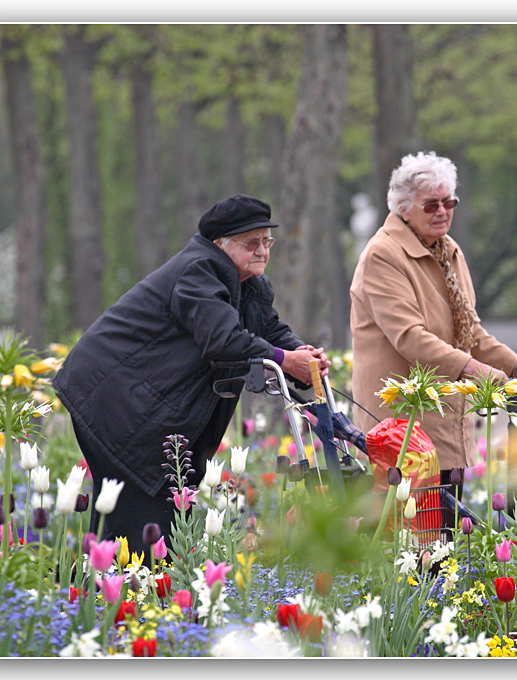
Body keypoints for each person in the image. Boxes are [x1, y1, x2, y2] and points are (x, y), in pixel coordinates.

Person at [53, 194, 330, 556]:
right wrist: (283, 358)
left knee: (148, 514)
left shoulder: (249, 283)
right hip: (117, 402)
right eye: (252, 243)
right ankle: (125, 600)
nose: (263, 250)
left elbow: (269, 329)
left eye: (267, 241)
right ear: (221, 245)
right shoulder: (198, 271)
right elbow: (224, 340)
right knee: (143, 516)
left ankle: (114, 597)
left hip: (139, 402)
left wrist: (303, 355)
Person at [349, 151, 517, 512]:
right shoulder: (384, 255)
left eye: (449, 202)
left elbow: (470, 331)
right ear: (403, 208)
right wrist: (483, 374)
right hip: (403, 425)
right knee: (412, 546)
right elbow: (410, 337)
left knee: (444, 544)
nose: (442, 211)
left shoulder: (449, 251)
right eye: (431, 205)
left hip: (447, 421)